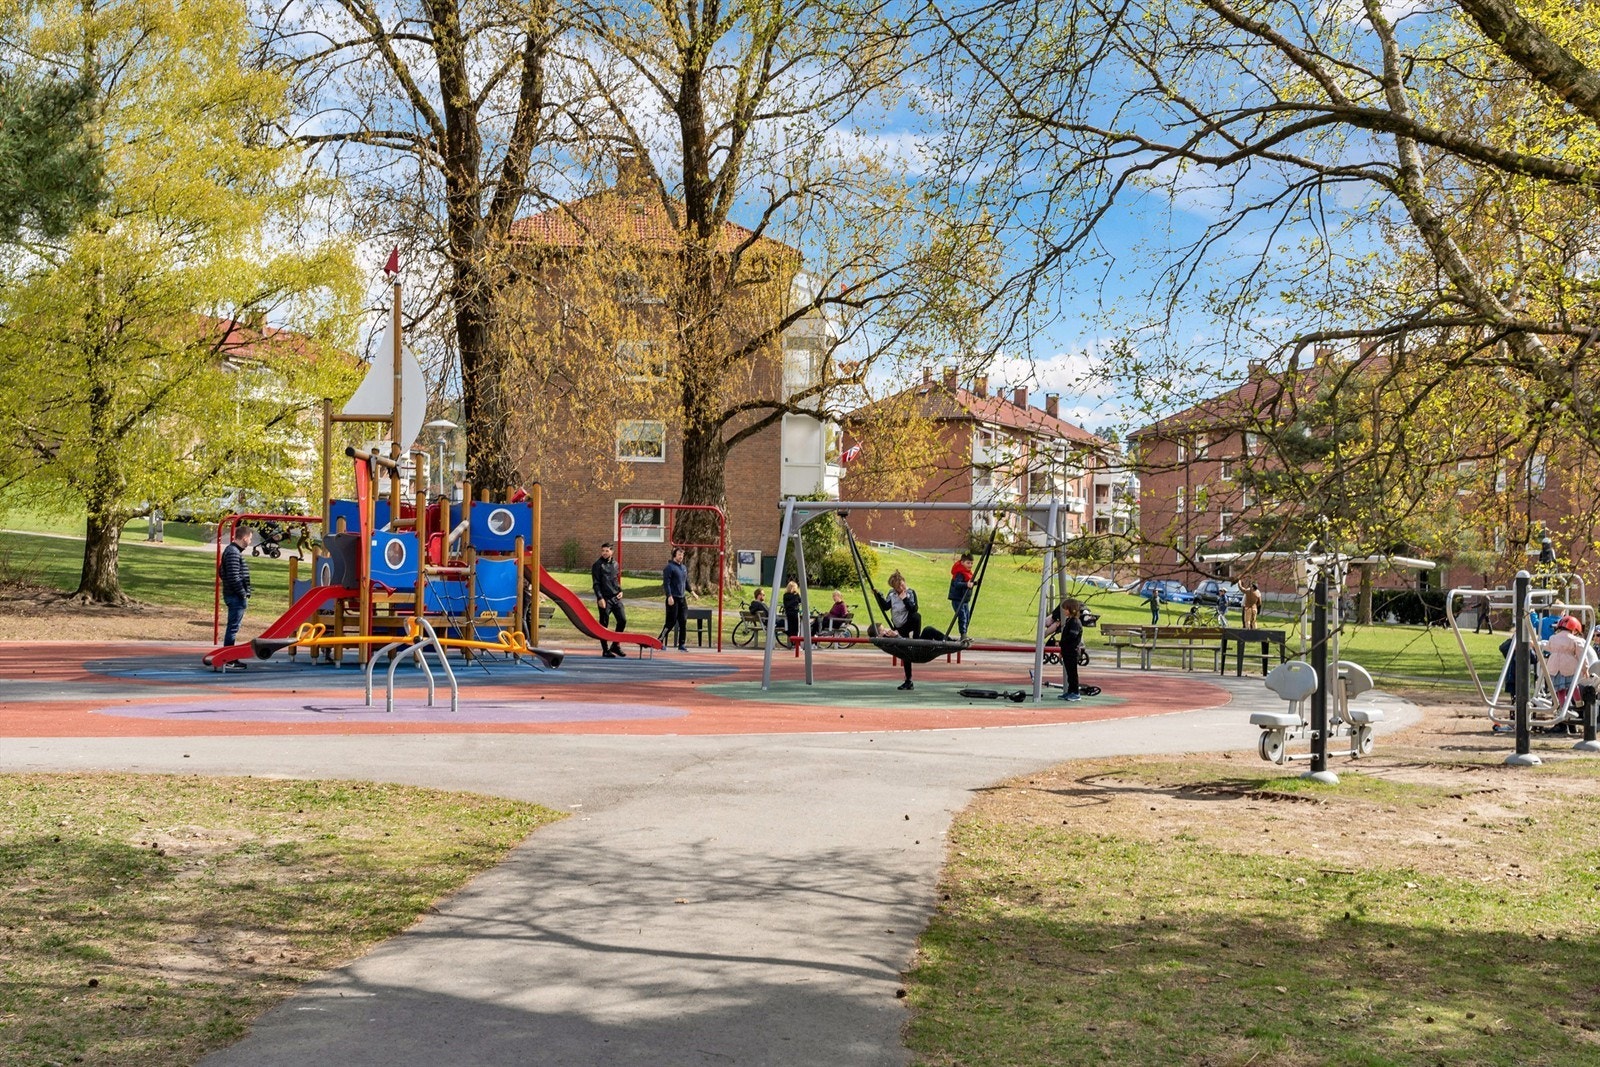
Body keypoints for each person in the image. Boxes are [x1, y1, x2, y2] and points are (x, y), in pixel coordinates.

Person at [874, 570, 922, 691]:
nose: (901, 588)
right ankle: (908, 680)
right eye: (898, 587)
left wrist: (905, 598)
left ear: (904, 582)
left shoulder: (910, 592)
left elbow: (914, 609)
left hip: (908, 622)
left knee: (917, 616)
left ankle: (917, 640)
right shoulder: (891, 594)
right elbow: (885, 607)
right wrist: (878, 595)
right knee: (905, 653)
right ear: (894, 588)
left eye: (902, 585)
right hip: (899, 627)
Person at [218, 526, 254, 670]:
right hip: (235, 596)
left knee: (233, 627)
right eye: (250, 538)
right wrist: (242, 592)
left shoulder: (232, 551)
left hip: (233, 594)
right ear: (244, 538)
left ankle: (229, 656)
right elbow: (233, 576)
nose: (250, 542)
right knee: (233, 628)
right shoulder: (233, 552)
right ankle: (229, 658)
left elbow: (222, 572)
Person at [590, 541, 627, 658]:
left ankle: (615, 645)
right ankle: (605, 650)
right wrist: (600, 598)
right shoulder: (597, 565)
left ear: (612, 551)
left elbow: (615, 580)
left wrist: (620, 590)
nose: (605, 553)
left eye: (607, 551)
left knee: (622, 620)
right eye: (603, 551)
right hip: (604, 599)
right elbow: (596, 584)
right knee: (604, 624)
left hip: (616, 597)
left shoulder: (615, 564)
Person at [1044, 597, 1085, 700]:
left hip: (1072, 651)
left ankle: (1075, 693)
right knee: (1069, 673)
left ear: (1072, 609)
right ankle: (1070, 691)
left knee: (1072, 673)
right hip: (1067, 651)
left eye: (1066, 609)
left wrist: (1061, 642)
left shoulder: (1075, 622)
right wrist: (1062, 649)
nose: (1064, 611)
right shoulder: (1069, 621)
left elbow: (1072, 637)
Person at [1546, 614, 1587, 703]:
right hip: (1569, 666)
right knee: (1573, 685)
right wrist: (1585, 668)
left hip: (1554, 667)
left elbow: (1549, 648)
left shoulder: (1552, 638)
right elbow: (1581, 655)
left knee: (1560, 690)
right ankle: (1579, 702)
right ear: (1575, 630)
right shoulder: (1575, 640)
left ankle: (1563, 708)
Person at [661, 546, 689, 652]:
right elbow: (666, 583)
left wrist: (692, 592)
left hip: (682, 598)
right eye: (679, 554)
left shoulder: (684, 568)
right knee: (671, 622)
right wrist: (669, 596)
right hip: (673, 598)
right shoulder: (669, 568)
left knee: (683, 621)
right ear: (674, 555)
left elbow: (686, 582)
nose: (681, 556)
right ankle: (660, 640)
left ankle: (681, 644)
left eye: (682, 554)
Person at [948, 552, 975, 640]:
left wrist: (975, 583)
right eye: (968, 563)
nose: (970, 565)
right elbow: (957, 584)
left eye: (971, 563)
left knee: (967, 616)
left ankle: (965, 634)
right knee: (962, 616)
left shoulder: (968, 573)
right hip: (958, 599)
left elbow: (968, 583)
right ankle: (963, 634)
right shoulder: (960, 573)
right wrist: (966, 585)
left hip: (965, 600)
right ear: (962, 562)